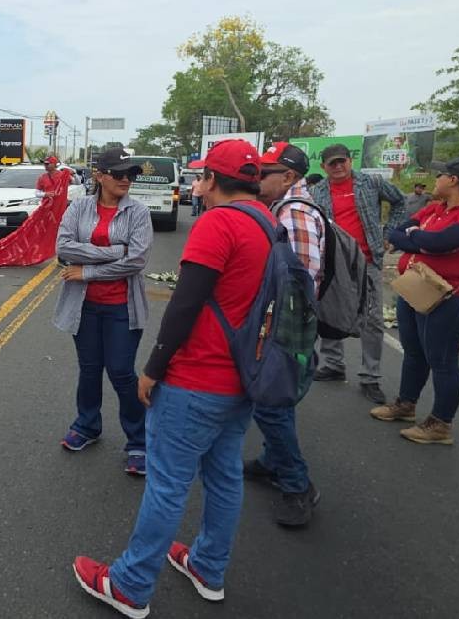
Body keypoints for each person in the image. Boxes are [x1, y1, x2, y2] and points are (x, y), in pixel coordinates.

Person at [72, 140, 266, 616]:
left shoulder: (216, 222)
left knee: (167, 484)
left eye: (201, 177)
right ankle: (207, 567)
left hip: (197, 377)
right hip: (245, 375)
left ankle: (131, 585)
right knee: (223, 477)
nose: (196, 184)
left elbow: (185, 304)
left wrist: (154, 368)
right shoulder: (267, 222)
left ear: (215, 181)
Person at [376, 158, 459, 445]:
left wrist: (417, 238)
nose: (435, 180)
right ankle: (406, 405)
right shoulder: (436, 208)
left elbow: (441, 243)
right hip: (416, 288)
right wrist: (419, 238)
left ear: (454, 180)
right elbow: (397, 232)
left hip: (451, 298)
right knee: (414, 352)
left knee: (442, 361)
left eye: (440, 175)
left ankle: (441, 424)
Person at [54, 147, 153, 475]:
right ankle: (87, 425)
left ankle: (138, 439)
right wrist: (115, 252)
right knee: (89, 368)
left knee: (122, 372)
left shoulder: (138, 212)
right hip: (85, 306)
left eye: (132, 174)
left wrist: (88, 270)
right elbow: (64, 246)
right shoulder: (79, 207)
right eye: (120, 173)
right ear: (99, 176)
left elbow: (137, 260)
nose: (127, 179)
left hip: (123, 307)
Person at [246, 143, 325, 527]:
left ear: (289, 176)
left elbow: (301, 280)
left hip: (287, 328)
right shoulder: (283, 209)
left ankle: (297, 485)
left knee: (270, 403)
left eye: (264, 172)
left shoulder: (294, 215)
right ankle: (272, 461)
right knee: (276, 401)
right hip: (283, 324)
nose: (257, 178)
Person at [310, 143, 406, 404]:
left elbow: (400, 201)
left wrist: (390, 234)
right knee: (331, 312)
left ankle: (370, 376)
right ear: (324, 167)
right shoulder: (316, 191)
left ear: (350, 161)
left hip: (367, 261)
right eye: (332, 163)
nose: (338, 166)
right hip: (333, 262)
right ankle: (333, 364)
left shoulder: (371, 183)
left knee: (372, 319)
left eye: (342, 161)